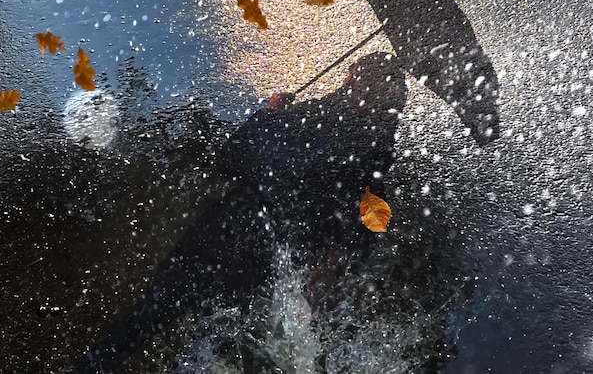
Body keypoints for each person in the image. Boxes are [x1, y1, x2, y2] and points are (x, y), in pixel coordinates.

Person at [73, 51, 407, 373]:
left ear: (352, 78)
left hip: (218, 235)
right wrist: (333, 265)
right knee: (209, 343)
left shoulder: (309, 117)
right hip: (262, 263)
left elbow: (230, 158)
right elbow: (364, 232)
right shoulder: (375, 164)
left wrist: (270, 114)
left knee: (148, 316)